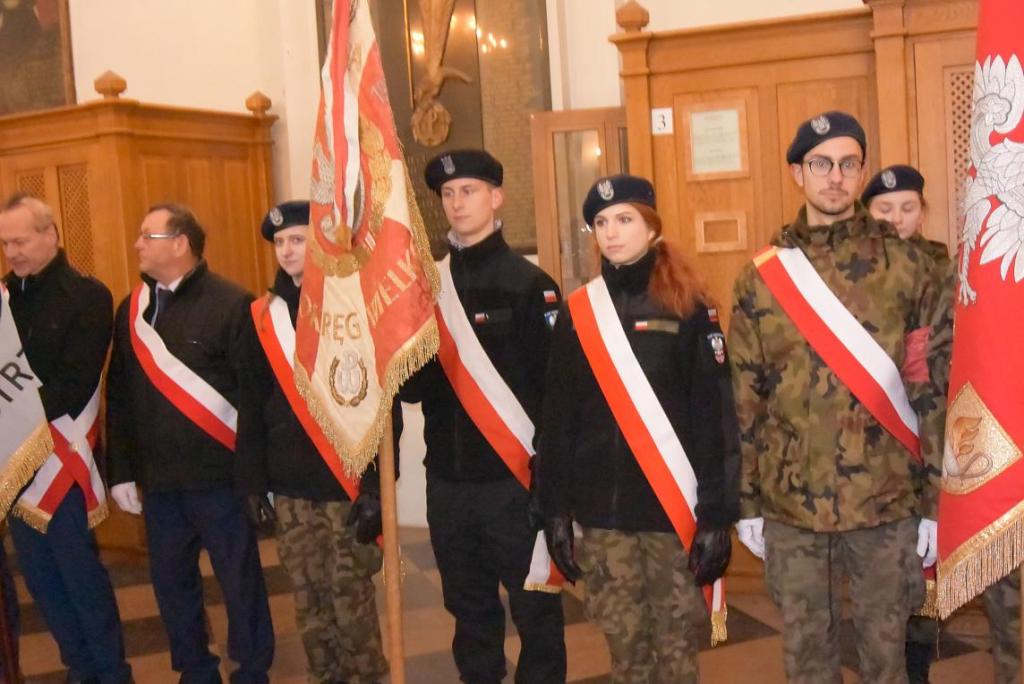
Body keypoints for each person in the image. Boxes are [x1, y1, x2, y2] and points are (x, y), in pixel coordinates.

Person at [729, 111, 952, 683]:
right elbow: (746, 398)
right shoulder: (762, 277)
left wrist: (936, 501)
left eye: (848, 164)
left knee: (886, 659)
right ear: (797, 172)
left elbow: (931, 391)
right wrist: (747, 501)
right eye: (821, 164)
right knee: (806, 659)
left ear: (861, 171)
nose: (835, 176)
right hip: (792, 506)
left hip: (886, 502)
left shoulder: (910, 268)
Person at [536, 175, 738, 683]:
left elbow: (714, 418)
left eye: (624, 219)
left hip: (671, 512)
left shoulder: (689, 306)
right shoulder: (579, 312)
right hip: (604, 517)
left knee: (675, 650)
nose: (611, 232)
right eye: (601, 223)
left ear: (651, 227)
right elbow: (558, 420)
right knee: (625, 651)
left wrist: (717, 514)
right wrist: (554, 508)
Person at [399, 149, 566, 683]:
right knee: (469, 613)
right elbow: (414, 390)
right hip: (449, 483)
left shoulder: (529, 285)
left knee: (536, 613)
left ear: (496, 197)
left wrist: (550, 485)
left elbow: (554, 394)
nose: (456, 203)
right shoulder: (426, 287)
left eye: (468, 191)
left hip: (514, 482)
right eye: (447, 194)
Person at [105, 203, 273, 684]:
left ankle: (251, 668)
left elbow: (253, 397)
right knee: (172, 585)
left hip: (220, 479)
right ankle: (195, 669)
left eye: (148, 236)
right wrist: (121, 471)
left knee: (239, 581)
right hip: (160, 484)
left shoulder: (233, 304)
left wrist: (255, 476)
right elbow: (119, 395)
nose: (137, 244)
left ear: (180, 244)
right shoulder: (132, 310)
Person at [235, 200, 389, 683]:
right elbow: (250, 405)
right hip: (291, 487)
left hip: (344, 484)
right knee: (309, 604)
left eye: (297, 240)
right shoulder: (262, 317)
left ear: (319, 243)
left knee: (351, 601)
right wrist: (252, 483)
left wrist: (374, 487)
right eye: (279, 242)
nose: (286, 250)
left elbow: (379, 405)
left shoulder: (353, 308)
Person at [0, 194, 132, 684]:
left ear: (50, 234)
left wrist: (14, 416)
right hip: (14, 460)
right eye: (4, 243)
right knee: (41, 581)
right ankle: (79, 669)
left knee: (80, 577)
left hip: (62, 457)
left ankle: (111, 672)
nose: (11, 252)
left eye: (20, 241)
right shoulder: (4, 299)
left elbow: (75, 384)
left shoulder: (86, 296)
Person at [863, 165, 950, 683]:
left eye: (908, 207)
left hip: (931, 432)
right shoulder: (851, 274)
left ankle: (918, 669)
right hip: (873, 445)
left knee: (924, 571)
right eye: (884, 208)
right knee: (879, 578)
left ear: (923, 212)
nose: (897, 218)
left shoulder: (945, 271)